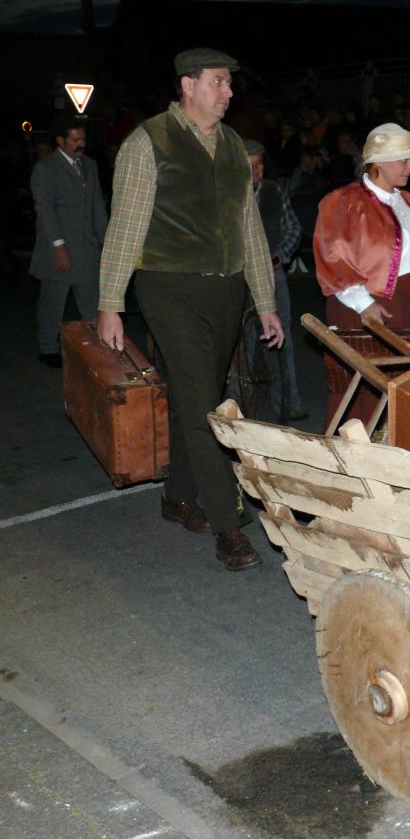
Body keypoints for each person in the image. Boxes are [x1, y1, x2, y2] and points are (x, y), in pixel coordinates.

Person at [97, 48, 284, 572]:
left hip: (225, 290)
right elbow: (125, 228)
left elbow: (250, 228)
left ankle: (178, 495)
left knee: (192, 394)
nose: (229, 92)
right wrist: (110, 304)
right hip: (168, 287)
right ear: (188, 84)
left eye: (230, 83)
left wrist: (265, 300)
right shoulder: (148, 142)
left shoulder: (232, 145)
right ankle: (230, 524)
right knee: (206, 403)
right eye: (219, 82)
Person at [313, 123, 410, 425]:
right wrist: (363, 303)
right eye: (404, 160)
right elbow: (331, 255)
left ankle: (400, 443)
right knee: (370, 389)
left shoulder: (406, 201)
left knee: (409, 384)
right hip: (373, 307)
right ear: (379, 162)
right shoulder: (345, 201)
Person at [30, 115, 108, 367]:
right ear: (60, 141)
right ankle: (48, 348)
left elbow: (97, 205)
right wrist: (58, 246)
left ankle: (95, 347)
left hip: (87, 246)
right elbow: (46, 211)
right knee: (53, 301)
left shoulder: (90, 165)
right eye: (74, 140)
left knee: (92, 301)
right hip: (59, 248)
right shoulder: (46, 169)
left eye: (83, 138)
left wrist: (106, 242)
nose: (80, 144)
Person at [243, 139, 305, 422]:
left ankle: (290, 401)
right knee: (243, 340)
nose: (255, 171)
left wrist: (280, 254)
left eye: (259, 165)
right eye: (249, 165)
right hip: (240, 274)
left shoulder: (273, 191)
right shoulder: (228, 194)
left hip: (272, 271)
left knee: (283, 338)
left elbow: (293, 227)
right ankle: (243, 401)